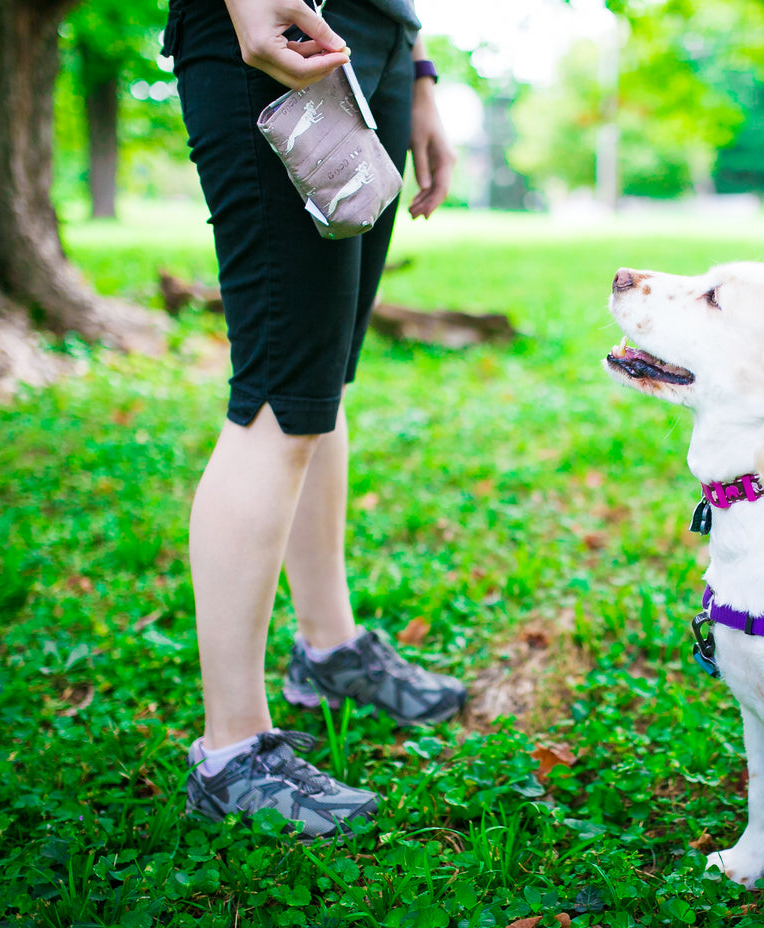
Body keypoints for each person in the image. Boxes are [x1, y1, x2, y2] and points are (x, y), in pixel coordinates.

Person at [162, 0, 466, 839]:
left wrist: (417, 69)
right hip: (267, 29)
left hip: (372, 36)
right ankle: (232, 752)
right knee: (279, 395)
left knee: (318, 386)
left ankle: (327, 651)